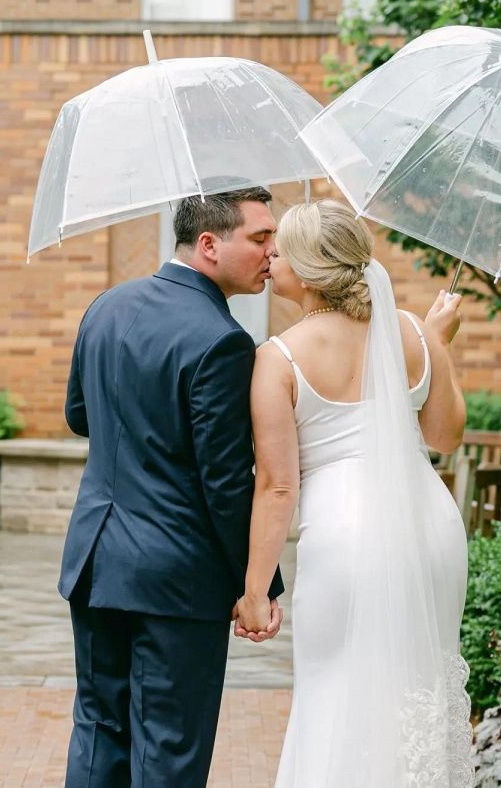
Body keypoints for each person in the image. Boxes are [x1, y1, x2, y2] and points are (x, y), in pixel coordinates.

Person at [235, 199, 475, 787]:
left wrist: (254, 589)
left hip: (346, 535)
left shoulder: (279, 356)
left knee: (335, 692)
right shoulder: (415, 332)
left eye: (280, 248)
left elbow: (278, 485)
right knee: (418, 685)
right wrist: (435, 344)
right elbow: (443, 436)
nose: (271, 257)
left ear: (309, 269)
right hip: (429, 528)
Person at [60, 187, 284, 788]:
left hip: (95, 561)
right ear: (209, 244)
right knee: (169, 750)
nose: (274, 250)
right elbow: (227, 483)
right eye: (260, 238)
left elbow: (80, 417)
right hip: (175, 581)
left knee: (98, 731)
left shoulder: (104, 306)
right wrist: (257, 584)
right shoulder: (223, 339)